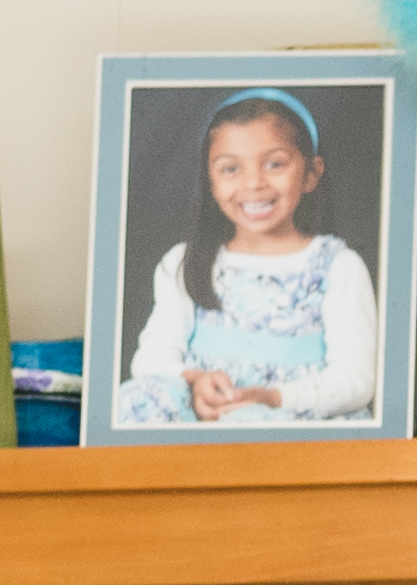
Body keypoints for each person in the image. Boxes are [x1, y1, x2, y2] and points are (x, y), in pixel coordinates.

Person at [111, 89, 375, 428]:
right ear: (210, 181)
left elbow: (355, 380)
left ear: (310, 173)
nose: (253, 183)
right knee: (136, 400)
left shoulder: (338, 267)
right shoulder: (185, 261)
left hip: (287, 420)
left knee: (254, 426)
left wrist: (273, 398)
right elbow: (150, 358)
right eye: (230, 168)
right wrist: (194, 380)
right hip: (202, 417)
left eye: (275, 164)